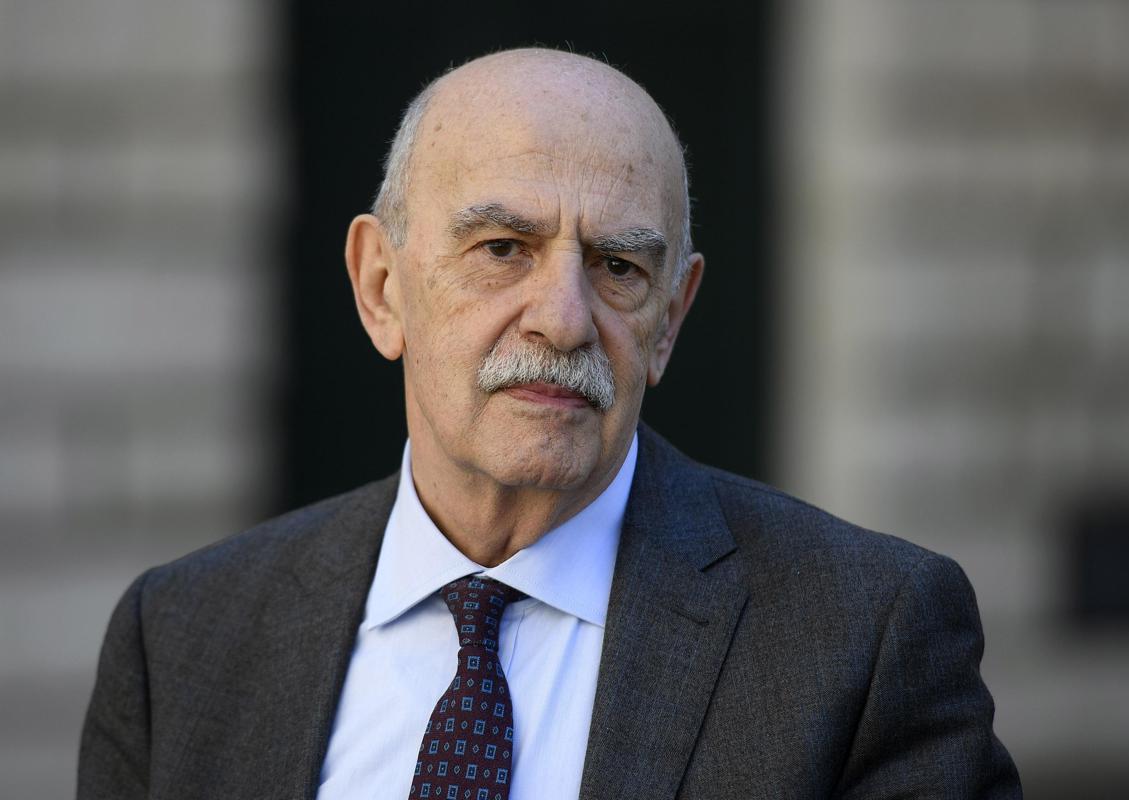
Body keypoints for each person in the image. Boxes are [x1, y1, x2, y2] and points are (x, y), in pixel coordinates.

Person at [78, 48, 1021, 799]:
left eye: (619, 267)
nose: (565, 320)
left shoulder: (864, 640)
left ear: (670, 321)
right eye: (502, 249)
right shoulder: (182, 640)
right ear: (381, 287)